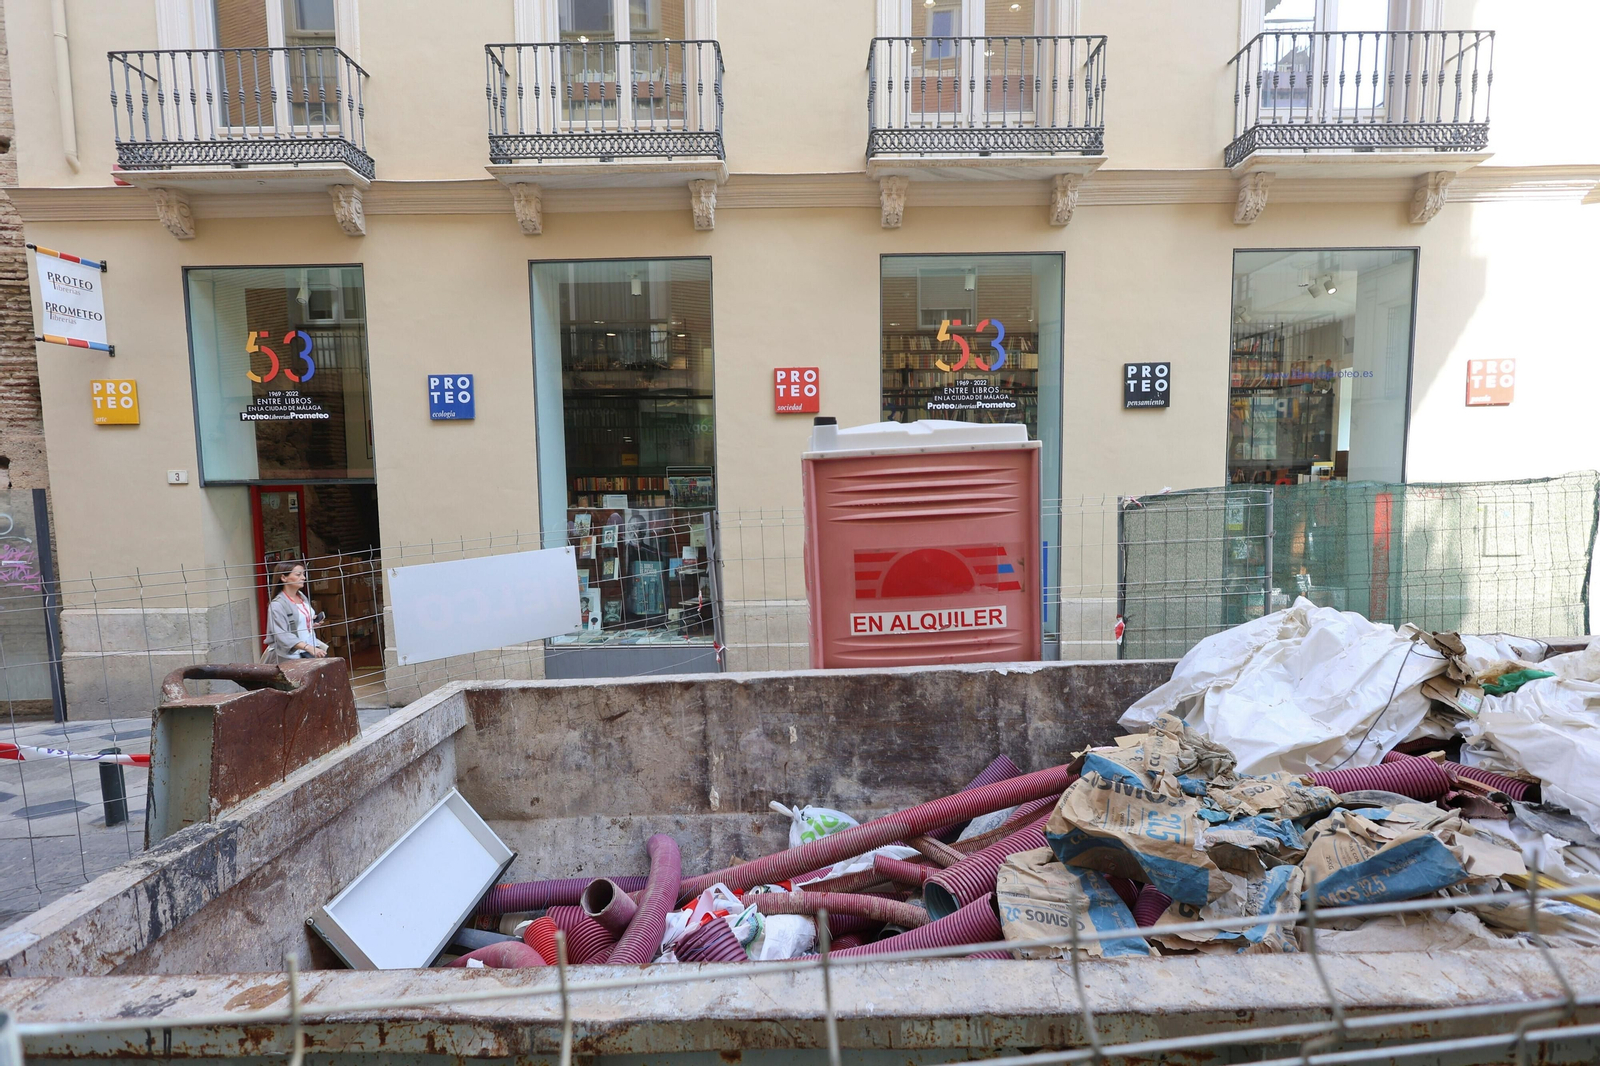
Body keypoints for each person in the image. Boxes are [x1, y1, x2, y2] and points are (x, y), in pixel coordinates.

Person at [266, 562, 328, 661]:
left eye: (303, 574)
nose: (303, 578)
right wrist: (308, 648)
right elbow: (282, 634)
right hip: (292, 656)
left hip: (310, 650)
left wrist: (310, 622)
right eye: (298, 575)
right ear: (283, 578)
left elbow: (297, 622)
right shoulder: (277, 605)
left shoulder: (301, 596)